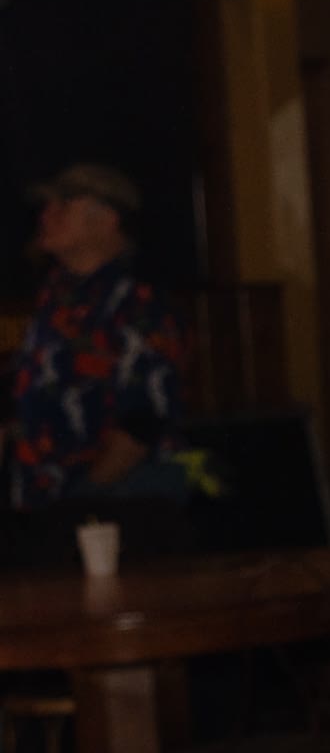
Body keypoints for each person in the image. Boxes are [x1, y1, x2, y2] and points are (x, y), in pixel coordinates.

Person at [10, 162, 187, 511]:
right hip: (41, 498)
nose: (46, 215)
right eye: (46, 206)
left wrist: (83, 502)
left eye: (64, 204)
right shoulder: (55, 300)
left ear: (107, 220)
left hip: (117, 503)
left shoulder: (139, 304)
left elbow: (144, 422)